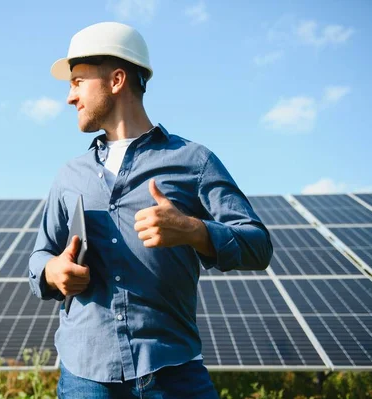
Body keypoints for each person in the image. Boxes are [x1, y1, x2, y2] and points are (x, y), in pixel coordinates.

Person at [29, 21, 273, 399]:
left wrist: (195, 231)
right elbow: (41, 255)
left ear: (116, 80)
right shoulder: (68, 176)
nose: (69, 97)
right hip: (85, 378)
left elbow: (258, 245)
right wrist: (52, 271)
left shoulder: (194, 161)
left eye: (77, 81)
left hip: (173, 375)